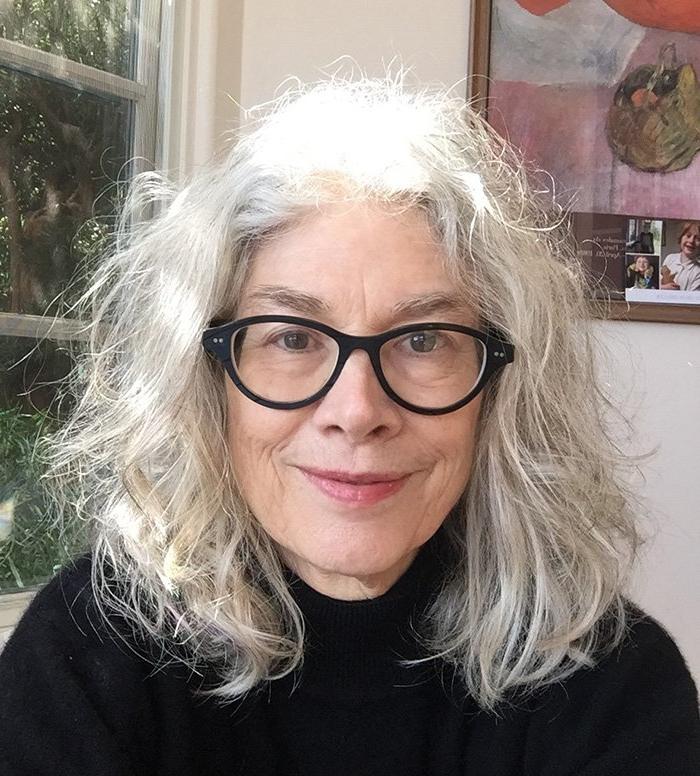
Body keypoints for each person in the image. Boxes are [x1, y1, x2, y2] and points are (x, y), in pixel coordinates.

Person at [0, 75, 698, 776]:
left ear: (501, 392)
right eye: (293, 338)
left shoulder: (615, 689)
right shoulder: (84, 660)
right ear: (207, 379)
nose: (358, 412)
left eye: (424, 340)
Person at [660, 221, 700, 290]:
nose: (691, 241)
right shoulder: (670, 258)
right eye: (688, 236)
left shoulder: (698, 272)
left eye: (698, 239)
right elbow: (658, 283)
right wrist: (663, 287)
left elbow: (693, 299)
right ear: (681, 238)